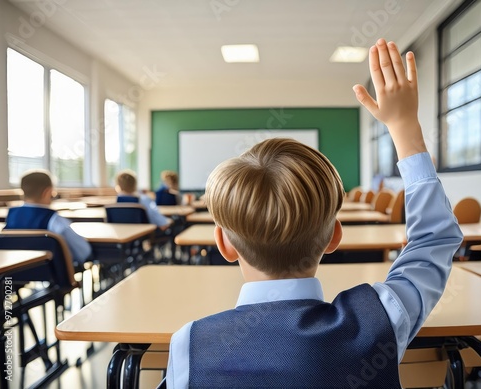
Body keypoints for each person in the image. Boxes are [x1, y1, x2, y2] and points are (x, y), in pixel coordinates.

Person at [166, 39, 463, 387]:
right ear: (335, 235)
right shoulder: (379, 317)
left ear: (224, 244)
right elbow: (435, 240)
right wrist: (404, 127)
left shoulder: (190, 344)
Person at [5, 170, 92, 265]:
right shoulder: (54, 220)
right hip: (53, 275)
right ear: (47, 192)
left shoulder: (11, 215)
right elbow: (84, 252)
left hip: (15, 271)